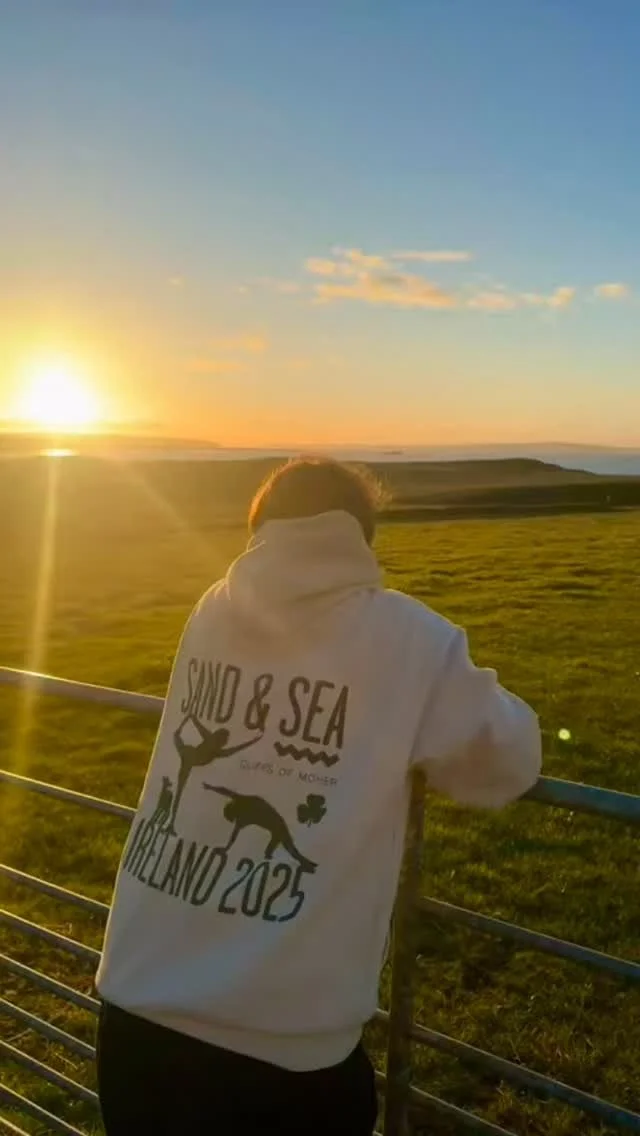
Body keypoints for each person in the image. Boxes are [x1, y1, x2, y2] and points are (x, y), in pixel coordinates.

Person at [95, 457, 542, 1136]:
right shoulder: (409, 637)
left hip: (136, 1019)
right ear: (361, 535)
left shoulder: (213, 608)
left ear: (261, 530)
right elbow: (509, 763)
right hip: (285, 1052)